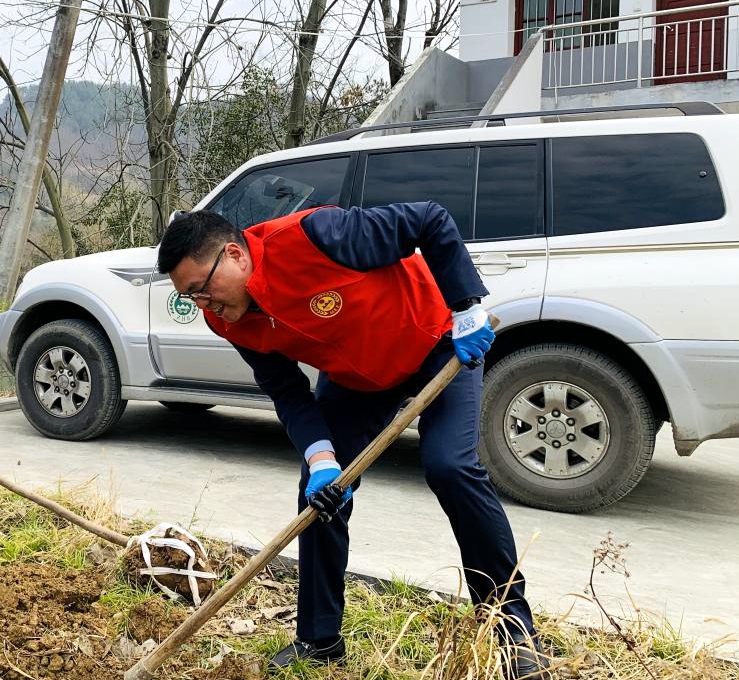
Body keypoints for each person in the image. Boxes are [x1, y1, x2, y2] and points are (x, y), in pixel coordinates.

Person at [157, 205, 549, 678]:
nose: (202, 304)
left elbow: (429, 220)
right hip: (356, 380)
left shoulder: (314, 237)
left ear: (235, 255)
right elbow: (286, 391)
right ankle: (319, 639)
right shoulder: (227, 319)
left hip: (438, 342)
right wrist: (321, 456)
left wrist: (466, 307)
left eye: (201, 289)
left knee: (450, 466)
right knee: (320, 493)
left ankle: (512, 634)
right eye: (190, 297)